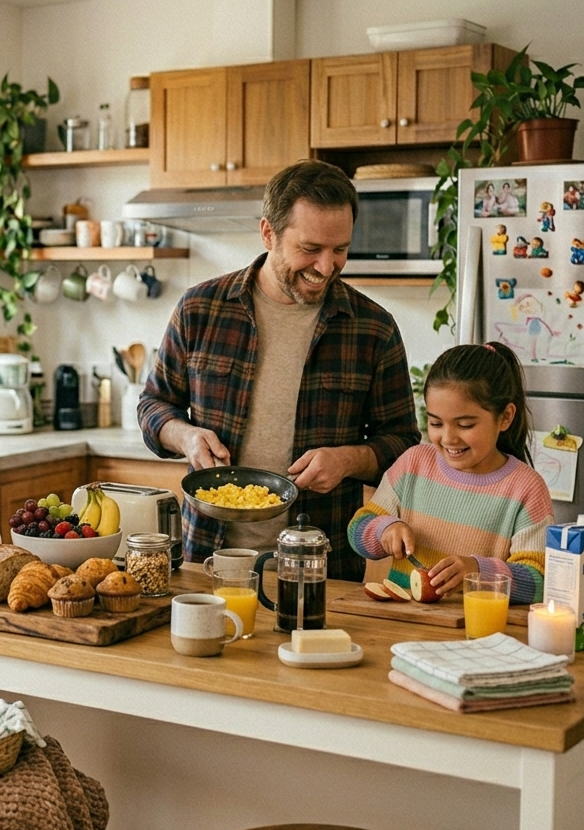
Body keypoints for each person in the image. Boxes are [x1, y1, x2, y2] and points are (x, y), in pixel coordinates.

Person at [138, 160, 420, 579]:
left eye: (340, 249)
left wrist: (348, 460)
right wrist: (186, 436)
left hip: (322, 563)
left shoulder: (372, 328)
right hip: (207, 558)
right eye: (310, 249)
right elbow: (153, 405)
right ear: (268, 232)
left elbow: (403, 444)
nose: (326, 267)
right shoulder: (201, 309)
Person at [348, 342, 553, 602]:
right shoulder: (414, 464)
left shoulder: (526, 488)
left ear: (505, 417)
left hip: (480, 634)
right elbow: (358, 530)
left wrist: (478, 570)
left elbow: (539, 582)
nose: (448, 438)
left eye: (465, 425)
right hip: (403, 626)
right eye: (435, 423)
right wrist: (384, 529)